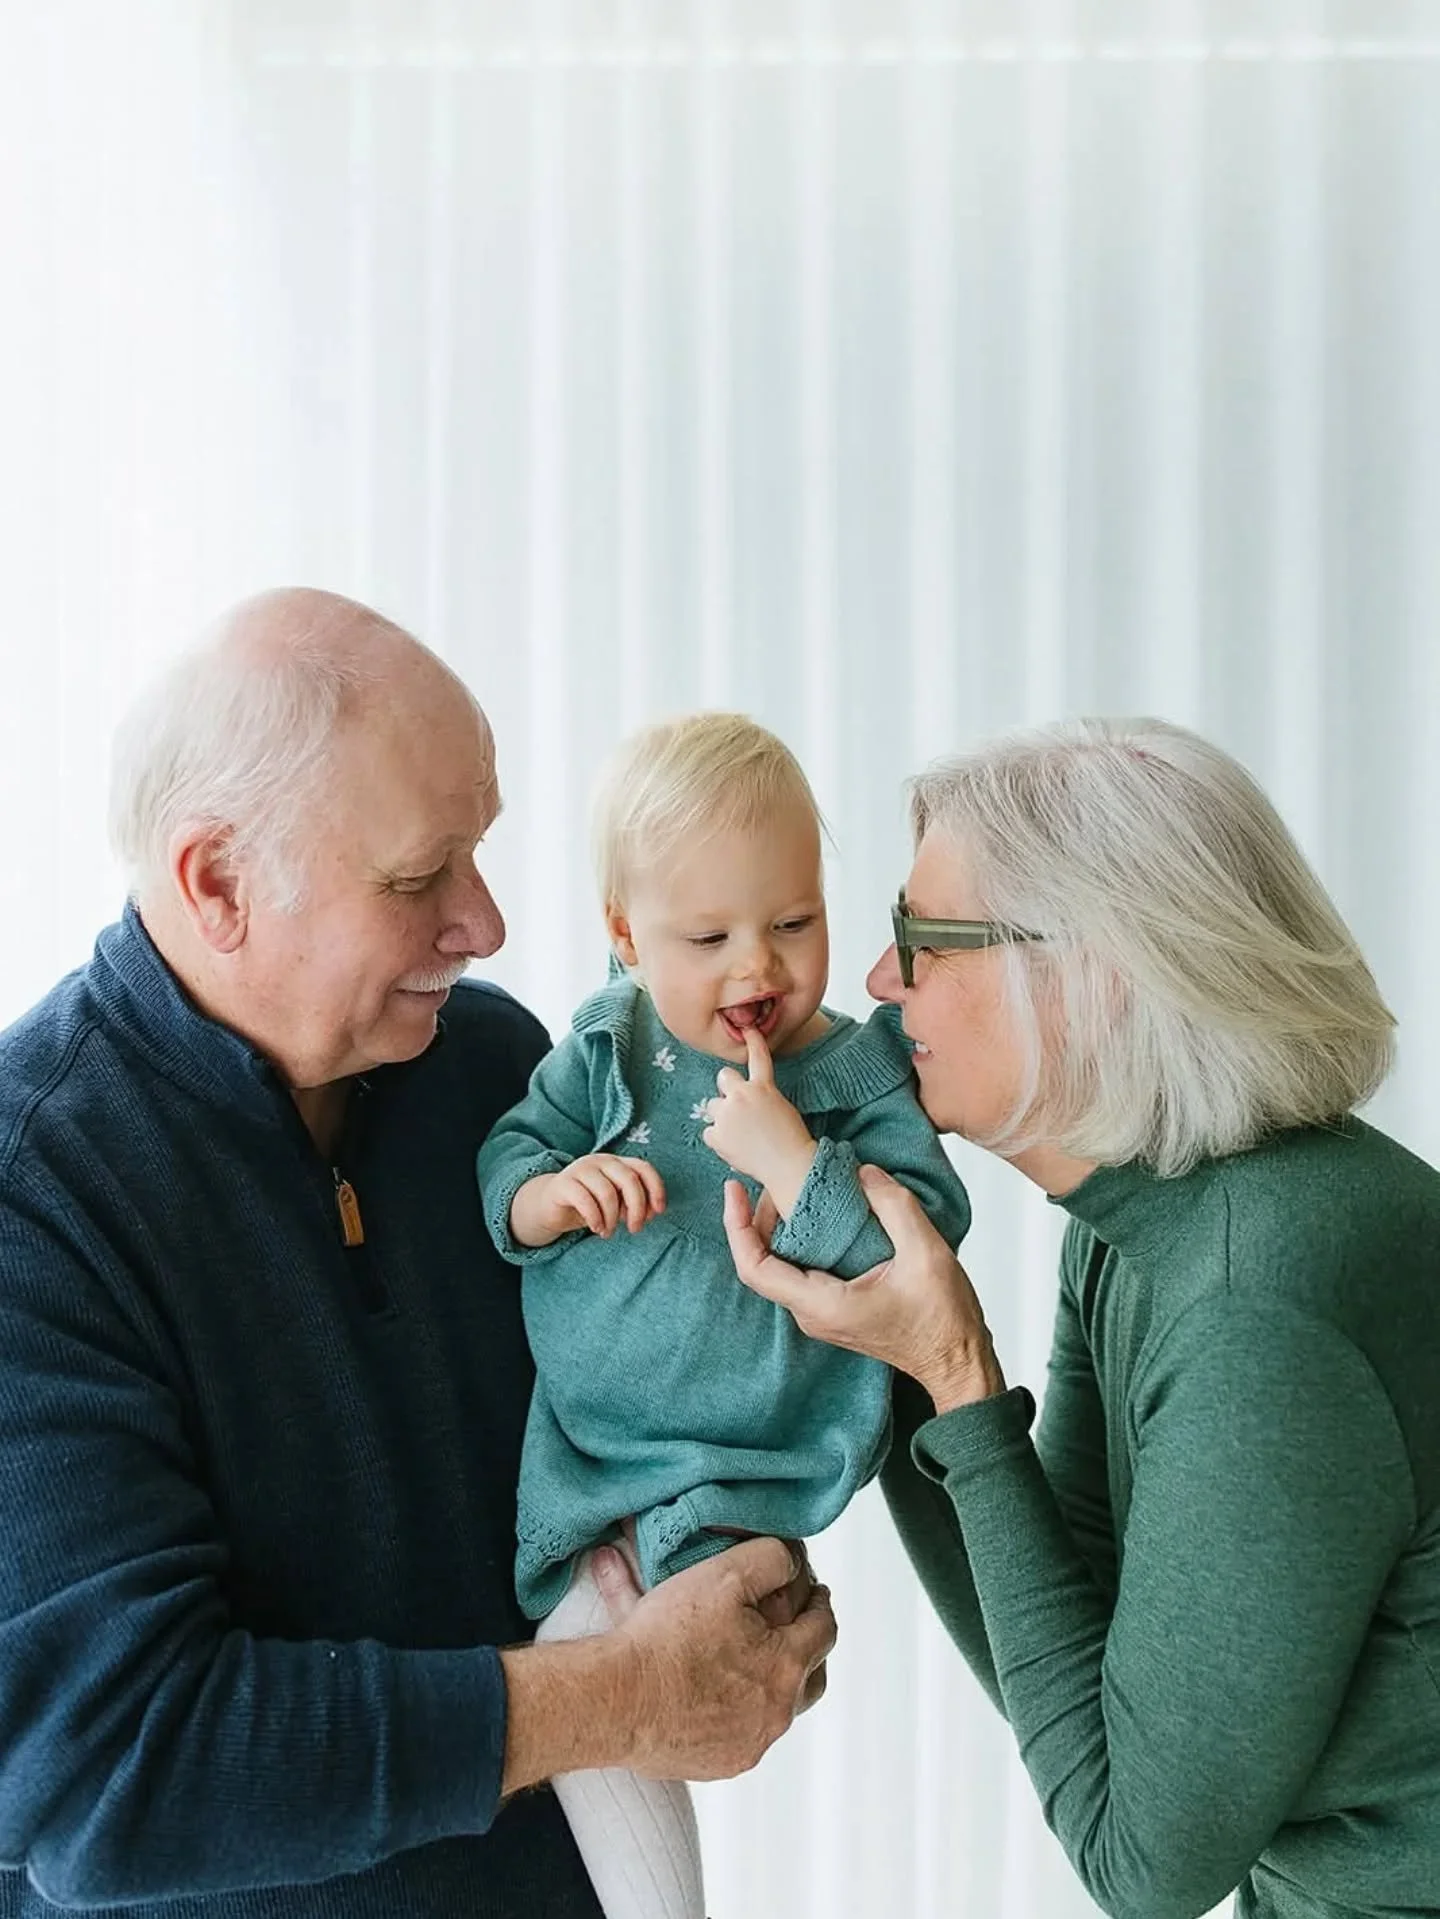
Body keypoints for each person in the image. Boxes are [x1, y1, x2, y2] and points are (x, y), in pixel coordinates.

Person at [0, 589, 835, 1919]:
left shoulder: (506, 1074)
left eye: (480, 851)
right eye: (416, 878)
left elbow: (640, 1427)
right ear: (218, 882)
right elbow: (108, 1764)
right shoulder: (34, 1192)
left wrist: (733, 1587)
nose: (486, 922)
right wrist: (628, 1694)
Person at [725, 716, 1440, 1919]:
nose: (878, 982)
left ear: (1094, 975)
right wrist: (897, 1341)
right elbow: (1073, 1646)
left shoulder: (1259, 1308)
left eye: (923, 939)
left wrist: (950, 1368)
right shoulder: (1145, 1213)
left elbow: (1140, 1860)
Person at [475, 712, 972, 1919]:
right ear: (623, 932)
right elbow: (510, 1158)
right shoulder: (610, 1044)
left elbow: (923, 1239)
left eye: (794, 922)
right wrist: (548, 1196)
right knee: (584, 1676)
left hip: (751, 1462)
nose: (759, 967)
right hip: (588, 1452)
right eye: (709, 937)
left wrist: (800, 1166)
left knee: (689, 1675)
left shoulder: (851, 1074)